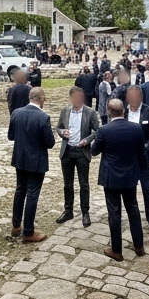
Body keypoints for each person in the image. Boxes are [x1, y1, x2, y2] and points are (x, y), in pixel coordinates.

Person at [91, 99, 147, 262]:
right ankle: (139, 246)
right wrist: (143, 170)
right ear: (124, 110)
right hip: (130, 176)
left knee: (114, 212)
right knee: (133, 209)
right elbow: (142, 153)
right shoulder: (136, 128)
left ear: (109, 112)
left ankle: (116, 250)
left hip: (111, 177)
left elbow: (94, 151)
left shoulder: (104, 130)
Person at [8, 87, 55, 243]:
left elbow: (11, 136)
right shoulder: (43, 117)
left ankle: (16, 225)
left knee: (20, 190)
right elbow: (49, 143)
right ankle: (28, 231)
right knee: (32, 194)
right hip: (36, 161)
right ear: (41, 99)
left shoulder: (16, 113)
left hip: (20, 159)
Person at [56, 86, 101, 227]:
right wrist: (62, 132)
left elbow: (98, 130)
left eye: (80, 98)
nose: (78, 100)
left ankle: (85, 212)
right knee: (67, 184)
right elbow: (58, 127)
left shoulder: (90, 112)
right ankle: (68, 210)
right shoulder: (65, 111)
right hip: (67, 151)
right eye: (75, 98)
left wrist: (87, 140)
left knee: (84, 184)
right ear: (71, 98)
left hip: (82, 152)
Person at [125, 86, 149, 240]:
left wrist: (144, 148)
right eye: (130, 96)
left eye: (135, 96)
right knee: (129, 190)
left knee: (147, 190)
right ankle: (133, 220)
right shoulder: (123, 111)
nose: (133, 99)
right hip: (127, 159)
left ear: (140, 97)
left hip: (144, 159)